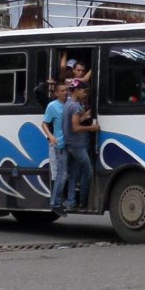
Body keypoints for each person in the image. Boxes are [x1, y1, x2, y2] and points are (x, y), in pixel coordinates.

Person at [63, 80, 100, 211]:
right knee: (88, 172)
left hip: (70, 144)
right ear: (77, 90)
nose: (85, 94)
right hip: (78, 145)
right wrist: (92, 128)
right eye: (84, 91)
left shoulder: (68, 104)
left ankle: (71, 201)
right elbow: (76, 127)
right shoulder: (75, 106)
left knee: (73, 174)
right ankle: (82, 202)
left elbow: (75, 121)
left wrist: (84, 116)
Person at [41, 83, 69, 216]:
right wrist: (51, 136)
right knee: (60, 174)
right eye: (62, 91)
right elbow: (44, 123)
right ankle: (55, 203)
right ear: (57, 93)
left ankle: (63, 201)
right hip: (59, 144)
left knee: (66, 174)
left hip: (70, 144)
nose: (65, 92)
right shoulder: (52, 106)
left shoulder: (69, 104)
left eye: (66, 90)